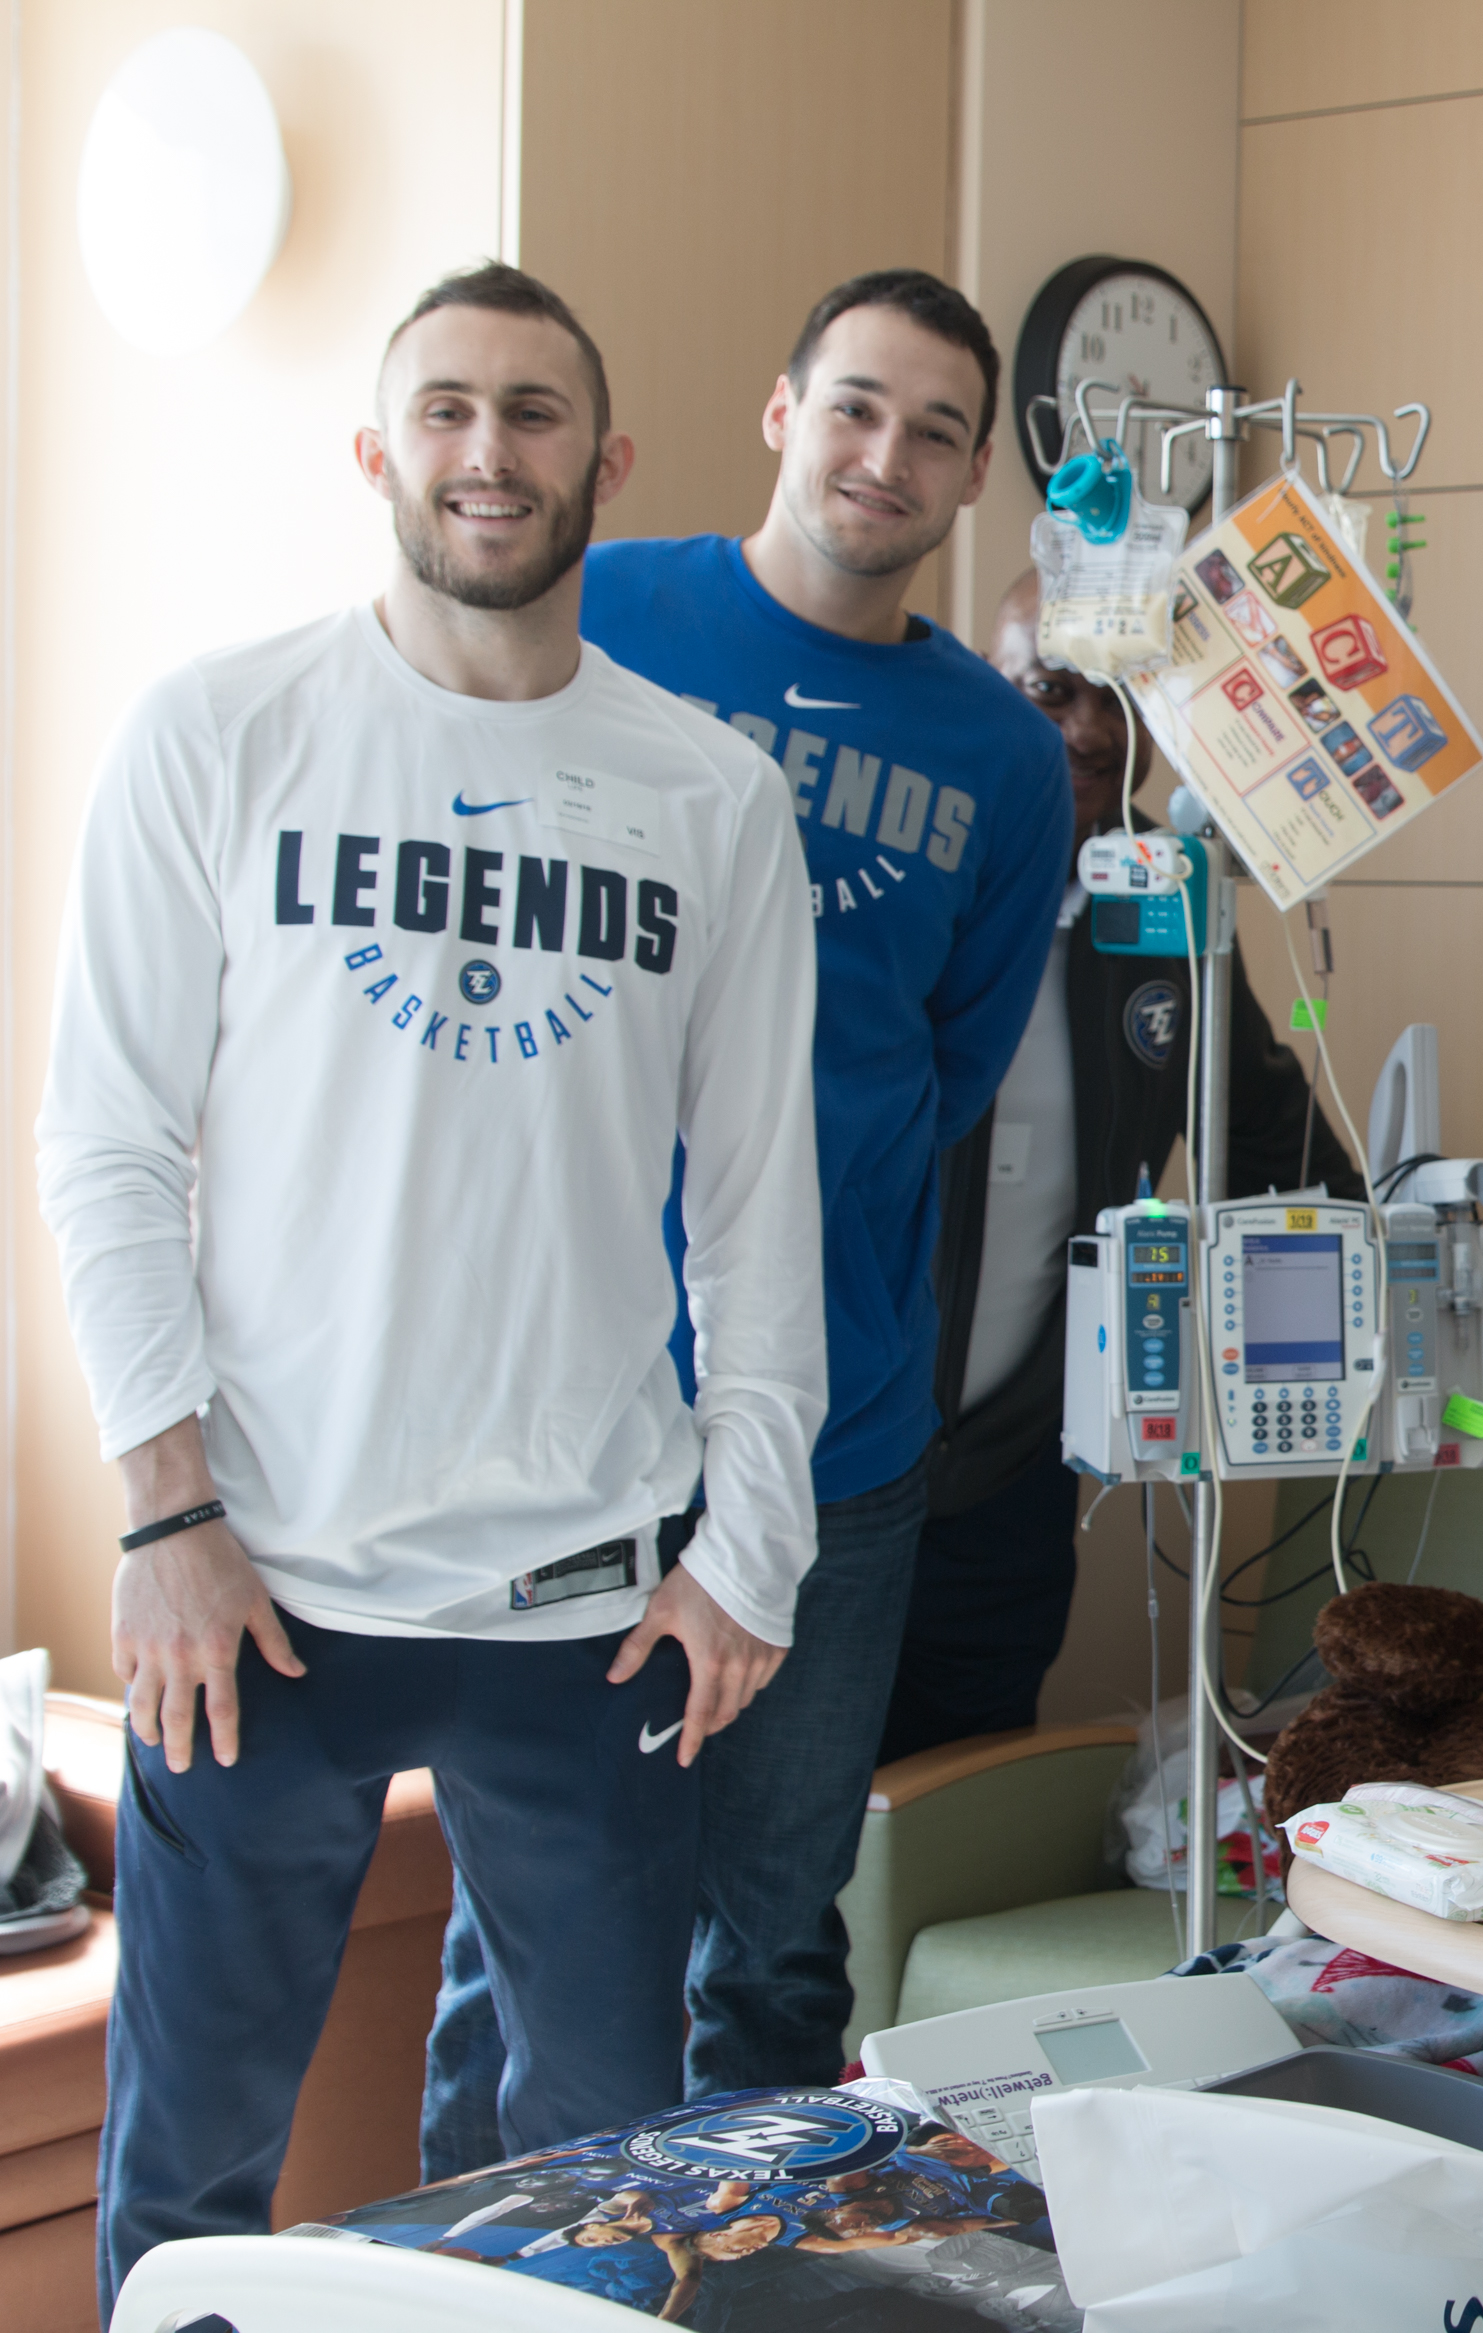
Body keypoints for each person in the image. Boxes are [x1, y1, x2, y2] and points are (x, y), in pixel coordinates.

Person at [44, 263, 825, 2301]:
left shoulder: (711, 793)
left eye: (535, 413)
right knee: (194, 2159)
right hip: (258, 1585)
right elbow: (106, 1144)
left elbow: (762, 1211)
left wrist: (750, 1553)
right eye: (449, 410)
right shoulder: (220, 729)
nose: (492, 451)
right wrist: (163, 1511)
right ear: (377, 450)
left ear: (609, 462)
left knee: (599, 2179)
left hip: (585, 1602)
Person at [425, 268, 1073, 2155]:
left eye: (936, 431)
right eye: (855, 406)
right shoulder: (606, 613)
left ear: (971, 481)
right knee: (516, 1944)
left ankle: (744, 2273)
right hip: (564, 1426)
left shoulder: (1003, 754)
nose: (886, 455)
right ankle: (465, 2276)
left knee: (772, 1946)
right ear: (783, 414)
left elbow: (942, 1073)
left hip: (834, 1443)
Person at [883, 566, 1358, 1765]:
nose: (1092, 730)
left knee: (963, 1802)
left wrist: (1389, 1257)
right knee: (787, 1811)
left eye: (1124, 695)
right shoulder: (901, 865)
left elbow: (1269, 1133)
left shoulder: (1162, 897)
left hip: (1007, 1472)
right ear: (981, 688)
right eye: (1050, 690)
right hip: (833, 1453)